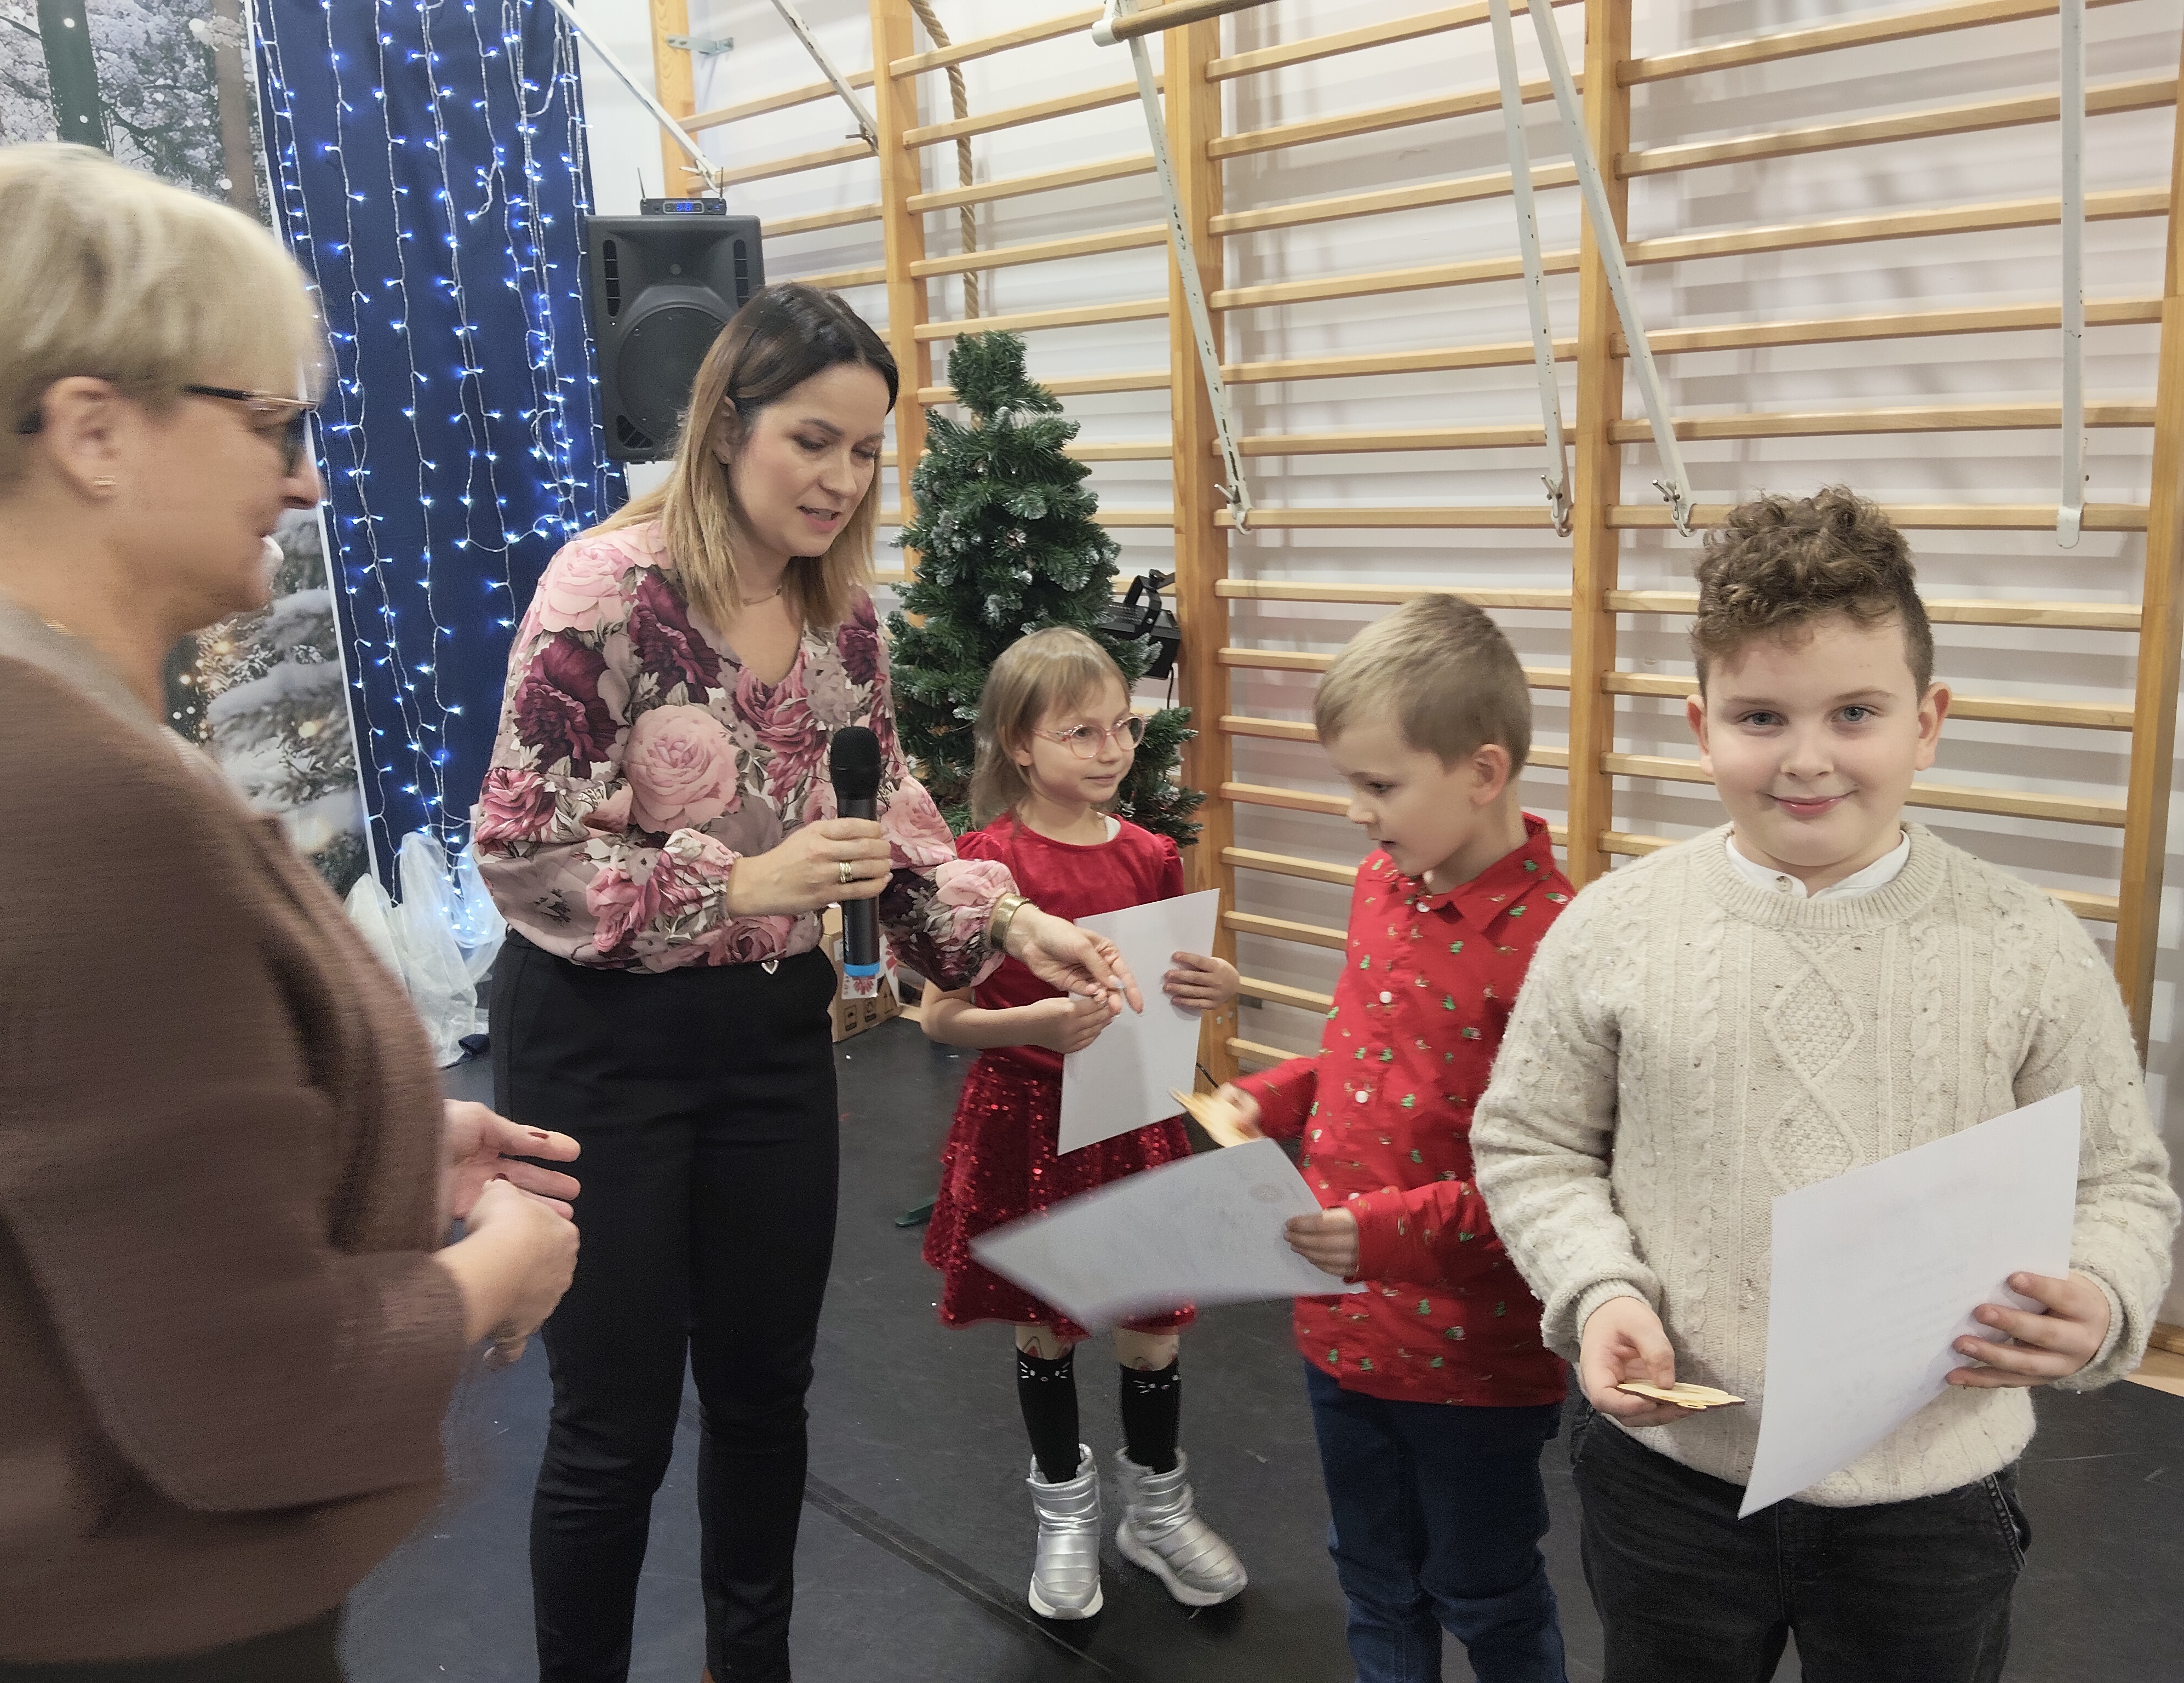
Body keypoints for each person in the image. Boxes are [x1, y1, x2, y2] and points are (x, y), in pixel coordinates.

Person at [0, 144, 582, 1678]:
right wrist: (492, 1273)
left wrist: (357, 1143)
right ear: (94, 431)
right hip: (121, 1629)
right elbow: (243, 1399)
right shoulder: (77, 803)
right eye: (270, 425)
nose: (303, 482)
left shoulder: (6, 723)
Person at [472, 285, 1144, 1683]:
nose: (841, 480)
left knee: (765, 1396)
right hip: (601, 1046)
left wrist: (1012, 920)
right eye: (811, 441)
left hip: (768, 1045)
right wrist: (740, 883)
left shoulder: (844, 622)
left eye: (865, 452)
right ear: (727, 427)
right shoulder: (604, 592)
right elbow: (525, 850)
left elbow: (889, 826)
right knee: (613, 1426)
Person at [1471, 488, 2180, 1683]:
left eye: (1854, 712)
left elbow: (2120, 1181)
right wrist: (1596, 1291)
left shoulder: (2031, 945)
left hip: (1931, 1499)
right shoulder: (1610, 930)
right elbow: (1531, 1144)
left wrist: (2105, 1296)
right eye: (1760, 716)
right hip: (1671, 1477)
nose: (1806, 758)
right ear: (1701, 725)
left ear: (1927, 721)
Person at [1197, 596, 1575, 1683]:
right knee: (1370, 1578)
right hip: (1341, 1327)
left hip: (1471, 1358)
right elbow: (1365, 1060)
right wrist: (1269, 1099)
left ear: (1483, 771)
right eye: (1349, 784)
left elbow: (1550, 1187)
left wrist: (1378, 1235)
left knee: (1486, 1593)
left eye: (1378, 786)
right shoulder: (1382, 885)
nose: (1357, 814)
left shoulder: (1558, 945)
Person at [916, 627, 1245, 1621]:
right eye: (1081, 733)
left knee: (1152, 1327)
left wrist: (1217, 988)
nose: (1112, 751)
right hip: (1025, 1120)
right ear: (1020, 745)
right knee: (1045, 1327)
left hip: (1132, 1118)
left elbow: (1169, 988)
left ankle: (1158, 1509)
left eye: (1123, 729)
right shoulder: (986, 867)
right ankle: (1064, 1513)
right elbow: (938, 1016)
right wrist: (1041, 1025)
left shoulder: (1150, 854)